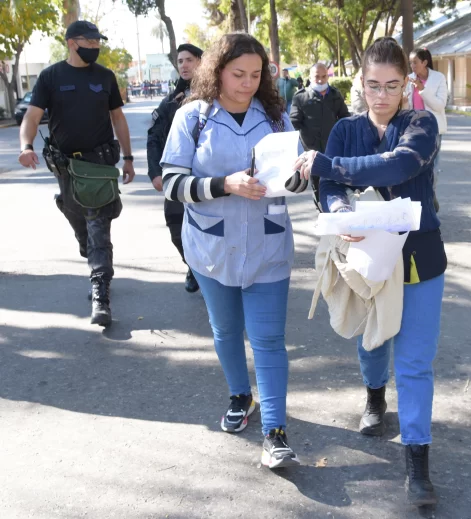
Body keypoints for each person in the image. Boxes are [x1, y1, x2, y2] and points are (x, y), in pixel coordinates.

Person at [294, 37, 445, 507]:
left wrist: (330, 166)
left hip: (419, 256)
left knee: (416, 362)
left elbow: (397, 165)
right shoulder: (344, 129)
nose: (381, 96)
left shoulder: (421, 123)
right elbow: (332, 189)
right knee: (372, 341)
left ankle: (417, 458)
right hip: (366, 255)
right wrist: (343, 214)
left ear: (407, 84)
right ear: (360, 82)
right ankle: (375, 396)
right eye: (373, 85)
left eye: (392, 86)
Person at [160, 33, 299, 470]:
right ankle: (242, 395)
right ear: (217, 71)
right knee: (225, 332)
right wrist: (225, 185)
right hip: (210, 248)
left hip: (268, 247)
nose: (247, 83)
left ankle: (275, 433)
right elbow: (172, 183)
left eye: (256, 75)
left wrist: (298, 178)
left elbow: (298, 174)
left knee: (269, 340)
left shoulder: (276, 118)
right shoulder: (191, 119)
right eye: (238, 74)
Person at [18, 20, 135, 327]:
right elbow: (32, 115)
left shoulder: (105, 77)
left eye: (98, 43)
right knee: (76, 215)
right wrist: (26, 145)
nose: (95, 47)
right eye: (90, 42)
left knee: (98, 224)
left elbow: (118, 118)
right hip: (65, 166)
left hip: (98, 165)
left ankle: (100, 293)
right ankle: (85, 243)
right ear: (72, 42)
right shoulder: (50, 76)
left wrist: (128, 158)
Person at [147, 43, 204, 293]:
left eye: (189, 60)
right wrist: (155, 172)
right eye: (180, 61)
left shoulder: (217, 96)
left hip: (208, 177)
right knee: (175, 225)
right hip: (178, 178)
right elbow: (154, 136)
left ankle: (210, 273)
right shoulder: (172, 101)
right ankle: (193, 266)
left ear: (201, 62)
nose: (184, 65)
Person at [290, 63, 350, 210]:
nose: (320, 80)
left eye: (324, 76)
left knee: (334, 181)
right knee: (317, 183)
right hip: (312, 150)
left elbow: (345, 118)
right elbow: (293, 122)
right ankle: (321, 209)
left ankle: (334, 208)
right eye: (317, 77)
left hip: (334, 148)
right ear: (310, 77)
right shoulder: (301, 97)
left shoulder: (335, 95)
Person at [406, 47, 448, 212]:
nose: (412, 66)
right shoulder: (409, 79)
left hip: (433, 130)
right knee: (415, 166)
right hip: (413, 130)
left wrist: (421, 90)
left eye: (415, 62)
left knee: (432, 167)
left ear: (424, 62)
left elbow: (439, 105)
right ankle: (420, 199)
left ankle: (429, 195)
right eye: (410, 63)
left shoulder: (438, 78)